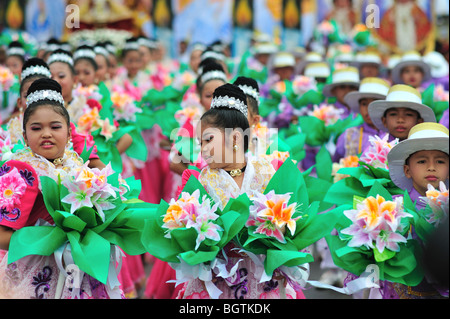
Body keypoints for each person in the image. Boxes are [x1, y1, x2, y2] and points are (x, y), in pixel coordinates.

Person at [177, 83, 305, 299]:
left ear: (235, 138)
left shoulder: (268, 170)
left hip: (264, 279)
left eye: (209, 140)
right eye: (201, 142)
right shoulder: (201, 180)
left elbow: (290, 221)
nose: (203, 149)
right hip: (219, 280)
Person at [0, 78, 121, 298]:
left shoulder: (75, 162)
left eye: (55, 127)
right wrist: (52, 240)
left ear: (68, 134)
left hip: (79, 266)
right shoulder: (20, 169)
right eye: (36, 128)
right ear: (25, 137)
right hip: (37, 267)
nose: (46, 133)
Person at [377, 122, 449, 299]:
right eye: (422, 161)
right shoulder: (392, 207)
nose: (431, 167)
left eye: (440, 161)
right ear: (407, 170)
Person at [333, 77, 390, 162]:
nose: (368, 109)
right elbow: (336, 165)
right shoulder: (348, 135)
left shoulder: (393, 135)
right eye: (364, 104)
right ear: (359, 107)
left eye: (374, 104)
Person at [368, 84, 436, 142]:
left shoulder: (424, 149)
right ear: (384, 121)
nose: (400, 120)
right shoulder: (376, 150)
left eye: (408, 114)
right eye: (393, 114)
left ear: (419, 122)